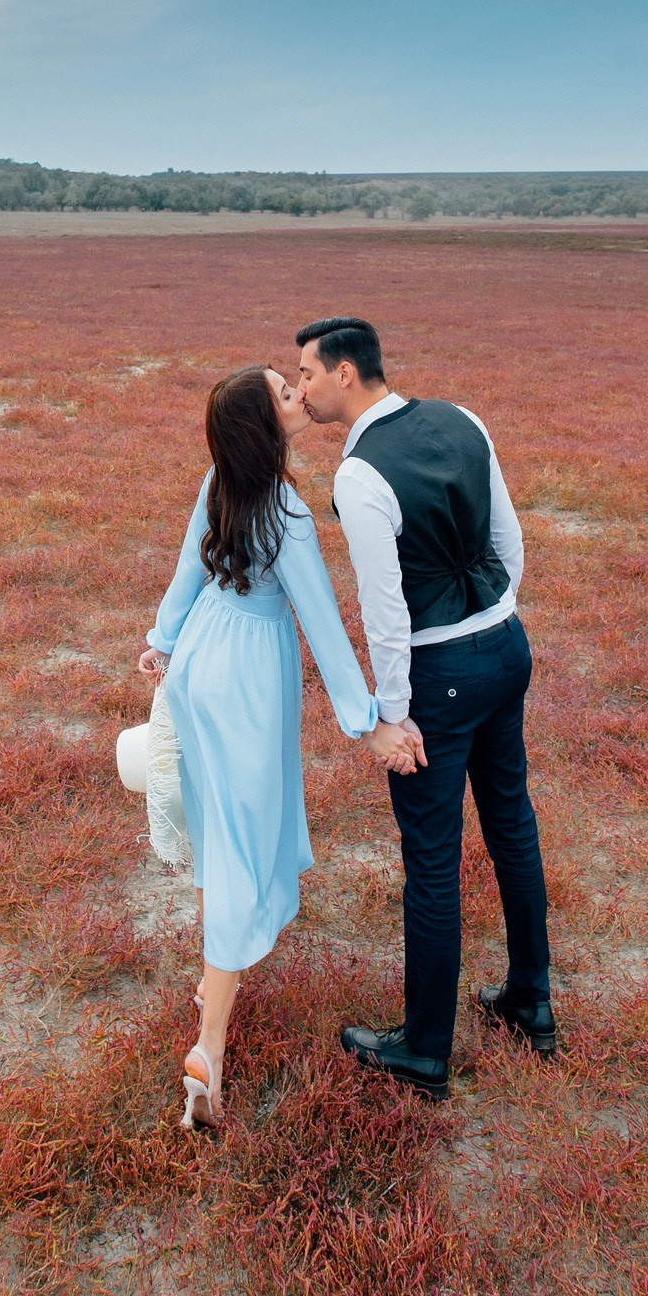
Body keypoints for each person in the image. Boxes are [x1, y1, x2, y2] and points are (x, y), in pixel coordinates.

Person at [138, 365, 419, 1129]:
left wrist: (163, 642)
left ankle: (209, 984)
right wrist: (369, 721)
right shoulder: (287, 512)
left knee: (215, 826)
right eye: (284, 394)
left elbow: (185, 572)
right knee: (241, 844)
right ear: (267, 429)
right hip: (246, 684)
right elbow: (324, 626)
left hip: (198, 665)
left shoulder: (217, 481)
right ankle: (210, 1046)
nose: (299, 396)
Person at [295, 317, 555, 1102]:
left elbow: (385, 613)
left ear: (346, 373)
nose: (299, 386)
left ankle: (426, 1050)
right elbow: (509, 543)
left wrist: (393, 715)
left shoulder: (359, 472)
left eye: (304, 372)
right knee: (512, 822)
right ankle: (530, 1002)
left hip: (438, 674)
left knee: (434, 861)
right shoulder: (461, 416)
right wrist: (492, 618)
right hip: (505, 647)